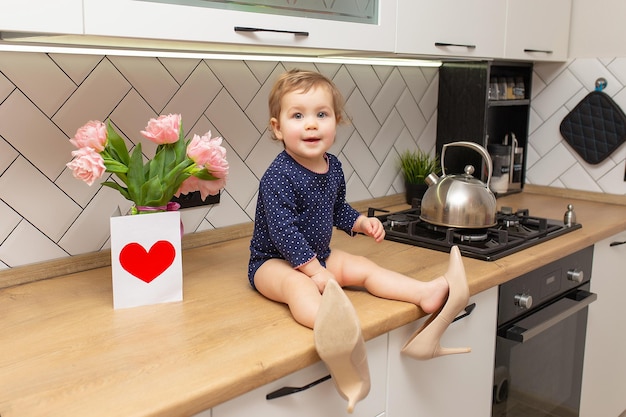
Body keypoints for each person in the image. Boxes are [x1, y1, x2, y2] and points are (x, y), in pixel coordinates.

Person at [248, 69, 470, 413]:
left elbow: (336, 209)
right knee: (297, 287)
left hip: (318, 254)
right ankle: (332, 326)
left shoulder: (332, 166)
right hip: (271, 261)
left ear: (336, 121)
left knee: (365, 268)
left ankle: (425, 293)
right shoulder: (278, 175)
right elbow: (284, 233)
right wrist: (315, 273)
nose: (311, 125)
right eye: (298, 116)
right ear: (278, 128)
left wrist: (360, 222)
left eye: (321, 115)